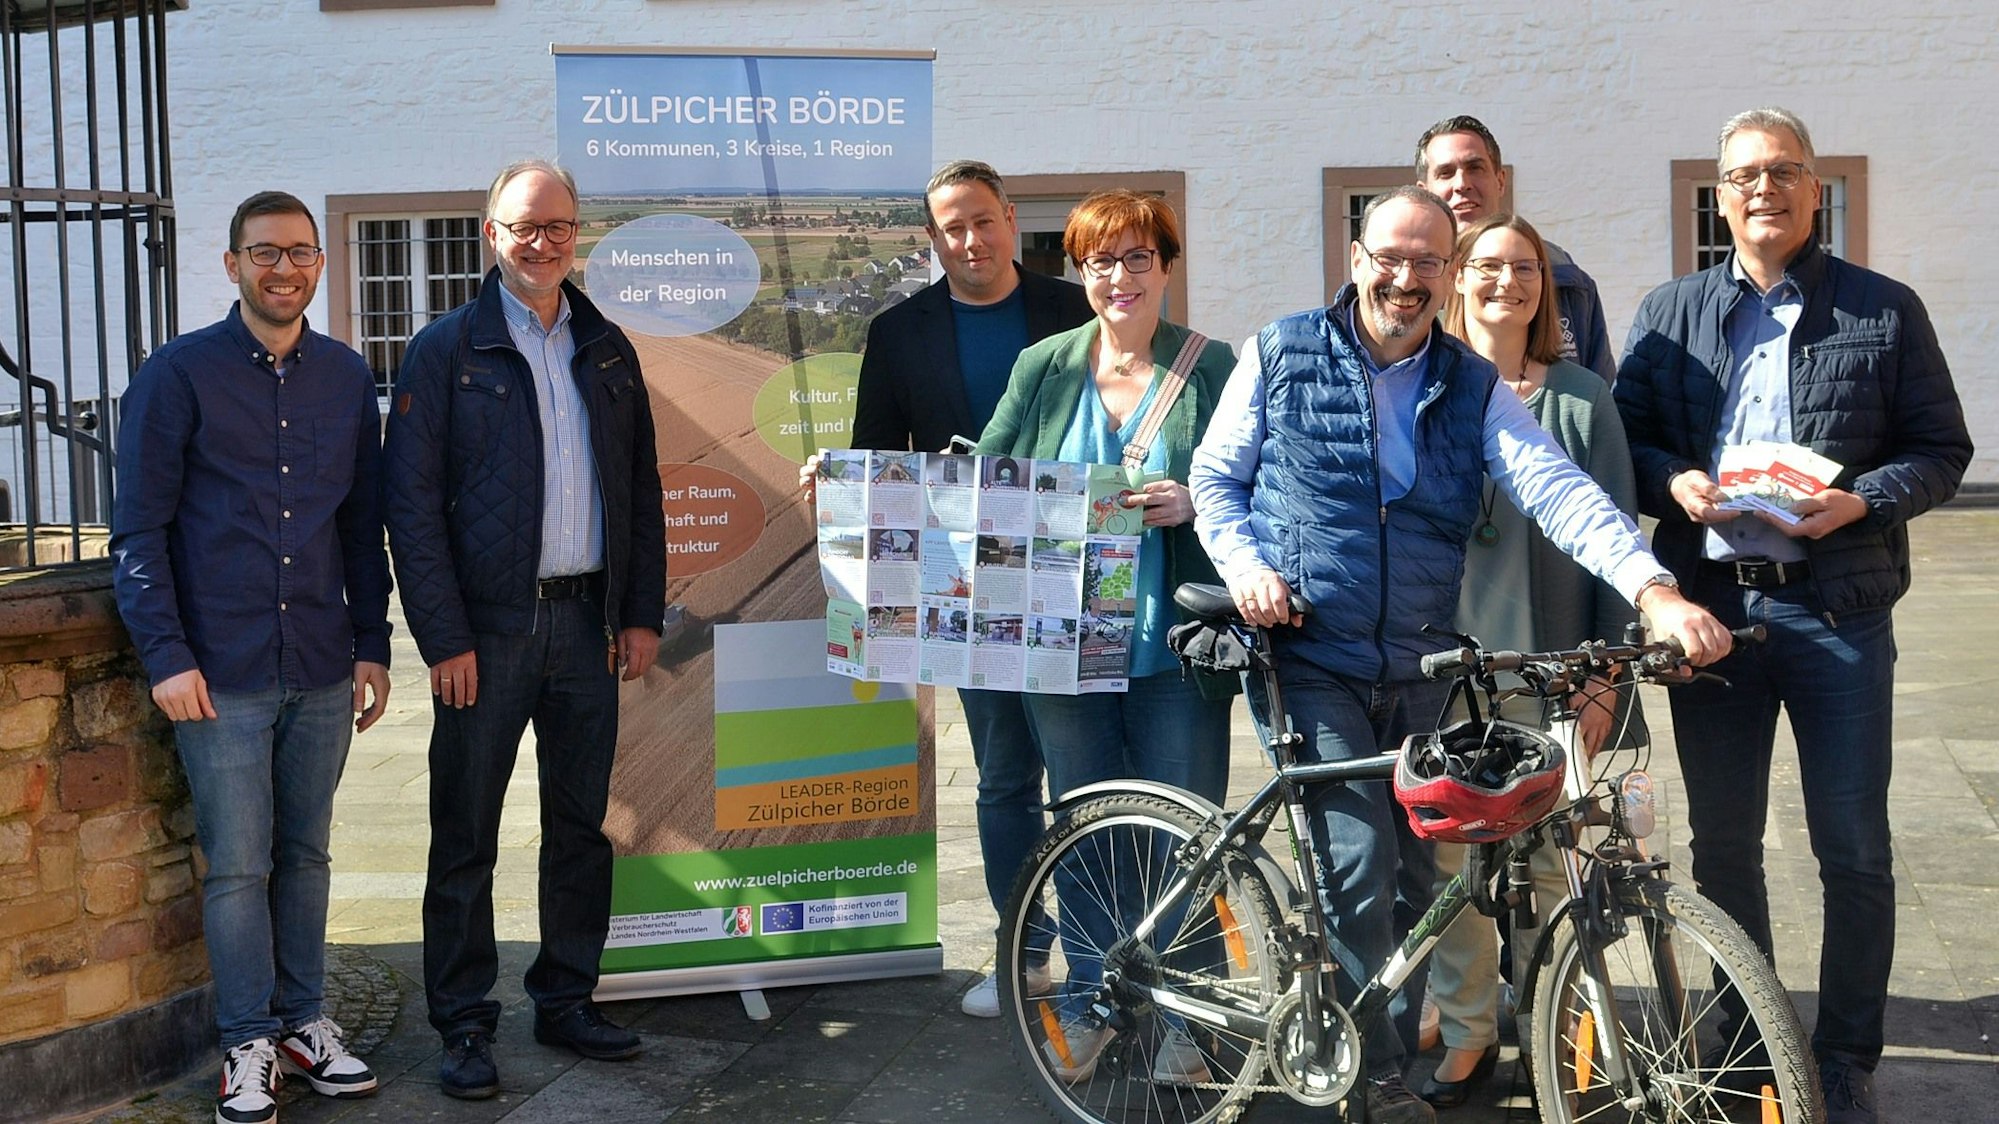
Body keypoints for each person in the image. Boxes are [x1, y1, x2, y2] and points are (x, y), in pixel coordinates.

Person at [1189, 185, 1732, 1124]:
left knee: (1416, 874)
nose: (1405, 279)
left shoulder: (1468, 382)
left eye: (1426, 263)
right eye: (1388, 259)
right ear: (1356, 258)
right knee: (1357, 870)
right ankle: (1375, 1083)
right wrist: (1244, 567)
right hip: (1305, 652)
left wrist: (1653, 590)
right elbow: (1214, 477)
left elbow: (1555, 487)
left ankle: (1385, 1042)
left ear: (1445, 274)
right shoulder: (1277, 352)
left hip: (1418, 662)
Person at [1613, 107, 1972, 1124]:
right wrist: (1672, 479)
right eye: (1740, 176)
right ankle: (1744, 1031)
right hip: (1713, 612)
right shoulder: (1670, 308)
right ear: (1717, 197)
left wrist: (1864, 499)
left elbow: (1942, 449)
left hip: (1836, 608)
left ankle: (1845, 1051)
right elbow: (1625, 439)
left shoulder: (1882, 310)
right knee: (1723, 843)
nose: (1760, 188)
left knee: (1851, 843)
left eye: (1781, 171)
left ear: (1814, 189)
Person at [383, 159, 666, 1100]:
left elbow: (639, 495)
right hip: (487, 635)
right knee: (464, 832)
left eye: (558, 227)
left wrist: (638, 615)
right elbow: (410, 509)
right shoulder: (446, 350)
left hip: (588, 624)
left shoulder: (608, 345)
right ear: (490, 232)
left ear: (574, 234)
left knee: (580, 827)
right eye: (523, 226)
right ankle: (464, 1023)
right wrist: (443, 639)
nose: (541, 243)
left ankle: (566, 997)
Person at [111, 190, 390, 1124]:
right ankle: (246, 1044)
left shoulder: (348, 380)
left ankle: (305, 1022)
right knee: (238, 865)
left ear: (320, 265)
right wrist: (166, 657)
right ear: (232, 265)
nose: (285, 269)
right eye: (265, 253)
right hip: (217, 672)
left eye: (301, 253)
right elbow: (139, 534)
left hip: (317, 661)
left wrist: (372, 645)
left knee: (307, 855)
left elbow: (361, 529)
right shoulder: (176, 375)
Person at [977, 188, 1238, 1084]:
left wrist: (1194, 502)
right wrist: (867, 483)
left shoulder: (1212, 366)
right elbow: (987, 475)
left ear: (1165, 266)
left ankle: (1185, 1014)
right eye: (1098, 261)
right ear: (1078, 271)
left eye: (1136, 259)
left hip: (1173, 648)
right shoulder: (1044, 365)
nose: (1118, 278)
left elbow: (1257, 484)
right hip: (1063, 646)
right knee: (1083, 826)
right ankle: (1095, 997)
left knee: (1181, 833)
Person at [848, 159, 1093, 1018]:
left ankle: (1099, 968)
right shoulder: (900, 330)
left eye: (982, 221)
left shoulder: (1073, 307)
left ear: (1009, 218)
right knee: (1001, 779)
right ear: (933, 238)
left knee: (1083, 776)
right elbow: (877, 454)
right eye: (951, 227)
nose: (969, 239)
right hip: (966, 587)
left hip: (1068, 577)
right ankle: (1022, 954)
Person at [1419, 213, 1645, 1108]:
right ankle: (1468, 1030)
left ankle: (1557, 1028)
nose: (1503, 281)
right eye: (1484, 265)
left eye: (1521, 267)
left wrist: (1605, 674)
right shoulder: (1423, 386)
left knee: (1558, 862)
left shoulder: (1581, 397)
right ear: (1455, 278)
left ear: (1543, 286)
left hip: (1553, 673)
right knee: (1454, 863)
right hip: (1445, 677)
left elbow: (1614, 535)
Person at [1416, 115, 1614, 380]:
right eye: (1446, 173)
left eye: (1475, 168)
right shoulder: (1408, 279)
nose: (1462, 184)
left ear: (1500, 180)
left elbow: (1597, 392)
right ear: (1425, 191)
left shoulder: (1563, 275)